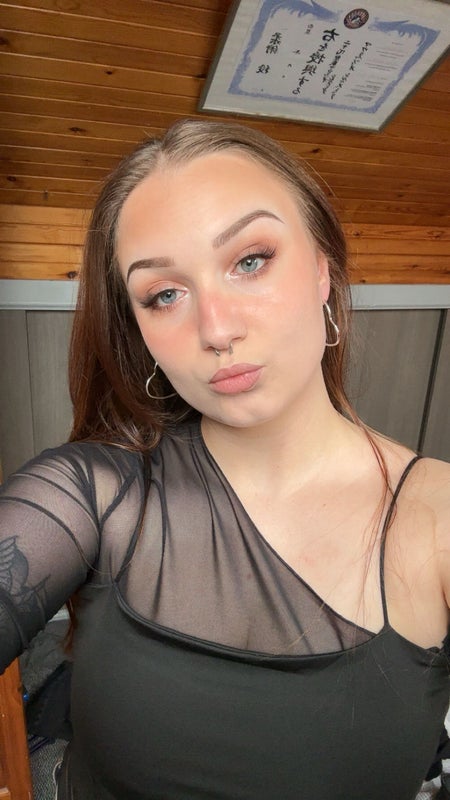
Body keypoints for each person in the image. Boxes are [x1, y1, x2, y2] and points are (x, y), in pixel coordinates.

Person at [0, 118, 449, 800]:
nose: (216, 329)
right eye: (165, 295)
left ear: (323, 270)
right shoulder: (91, 493)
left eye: (250, 260)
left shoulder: (437, 517)